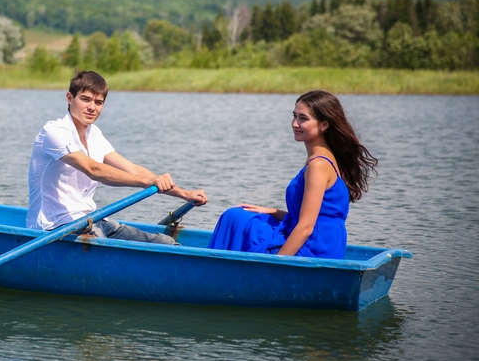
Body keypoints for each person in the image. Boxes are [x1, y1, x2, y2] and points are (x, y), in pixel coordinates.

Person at [27, 70, 207, 245]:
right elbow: (93, 170)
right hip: (54, 228)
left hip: (92, 220)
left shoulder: (94, 134)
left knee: (166, 243)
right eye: (85, 99)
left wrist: (184, 194)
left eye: (99, 102)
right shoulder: (55, 132)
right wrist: (148, 181)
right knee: (107, 248)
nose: (92, 107)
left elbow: (132, 169)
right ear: (69, 98)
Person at [208, 90, 378, 259]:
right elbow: (317, 218)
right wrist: (272, 211)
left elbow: (306, 227)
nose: (295, 124)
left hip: (314, 249)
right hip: (324, 242)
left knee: (235, 218)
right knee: (244, 214)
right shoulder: (327, 157)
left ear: (324, 125)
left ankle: (216, 268)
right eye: (294, 116)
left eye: (303, 118)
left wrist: (277, 262)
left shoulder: (318, 165)